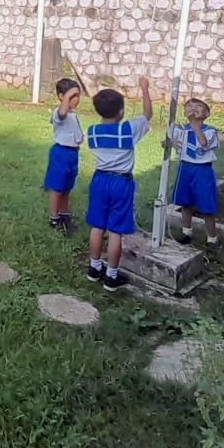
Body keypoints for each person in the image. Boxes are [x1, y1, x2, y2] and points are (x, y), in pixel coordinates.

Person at [84, 77, 152, 292]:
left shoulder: (93, 132)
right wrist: (144, 89)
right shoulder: (128, 130)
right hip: (121, 182)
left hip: (99, 180)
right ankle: (111, 276)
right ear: (121, 112)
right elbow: (147, 115)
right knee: (115, 231)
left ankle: (94, 268)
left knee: (97, 226)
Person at [168, 99, 221, 247]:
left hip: (202, 170)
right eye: (189, 106)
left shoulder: (211, 131)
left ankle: (212, 238)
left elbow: (204, 143)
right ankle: (186, 232)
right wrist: (170, 142)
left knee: (206, 204)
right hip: (185, 168)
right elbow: (167, 142)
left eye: (198, 106)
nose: (193, 108)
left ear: (207, 114)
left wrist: (195, 126)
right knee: (186, 202)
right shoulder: (180, 130)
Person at [44, 78, 84, 233]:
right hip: (61, 153)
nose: (77, 100)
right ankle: (54, 219)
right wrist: (67, 99)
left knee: (67, 188)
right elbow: (61, 113)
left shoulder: (72, 114)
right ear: (62, 97)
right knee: (57, 188)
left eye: (78, 96)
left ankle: (64, 215)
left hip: (72, 154)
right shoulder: (59, 112)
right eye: (73, 96)